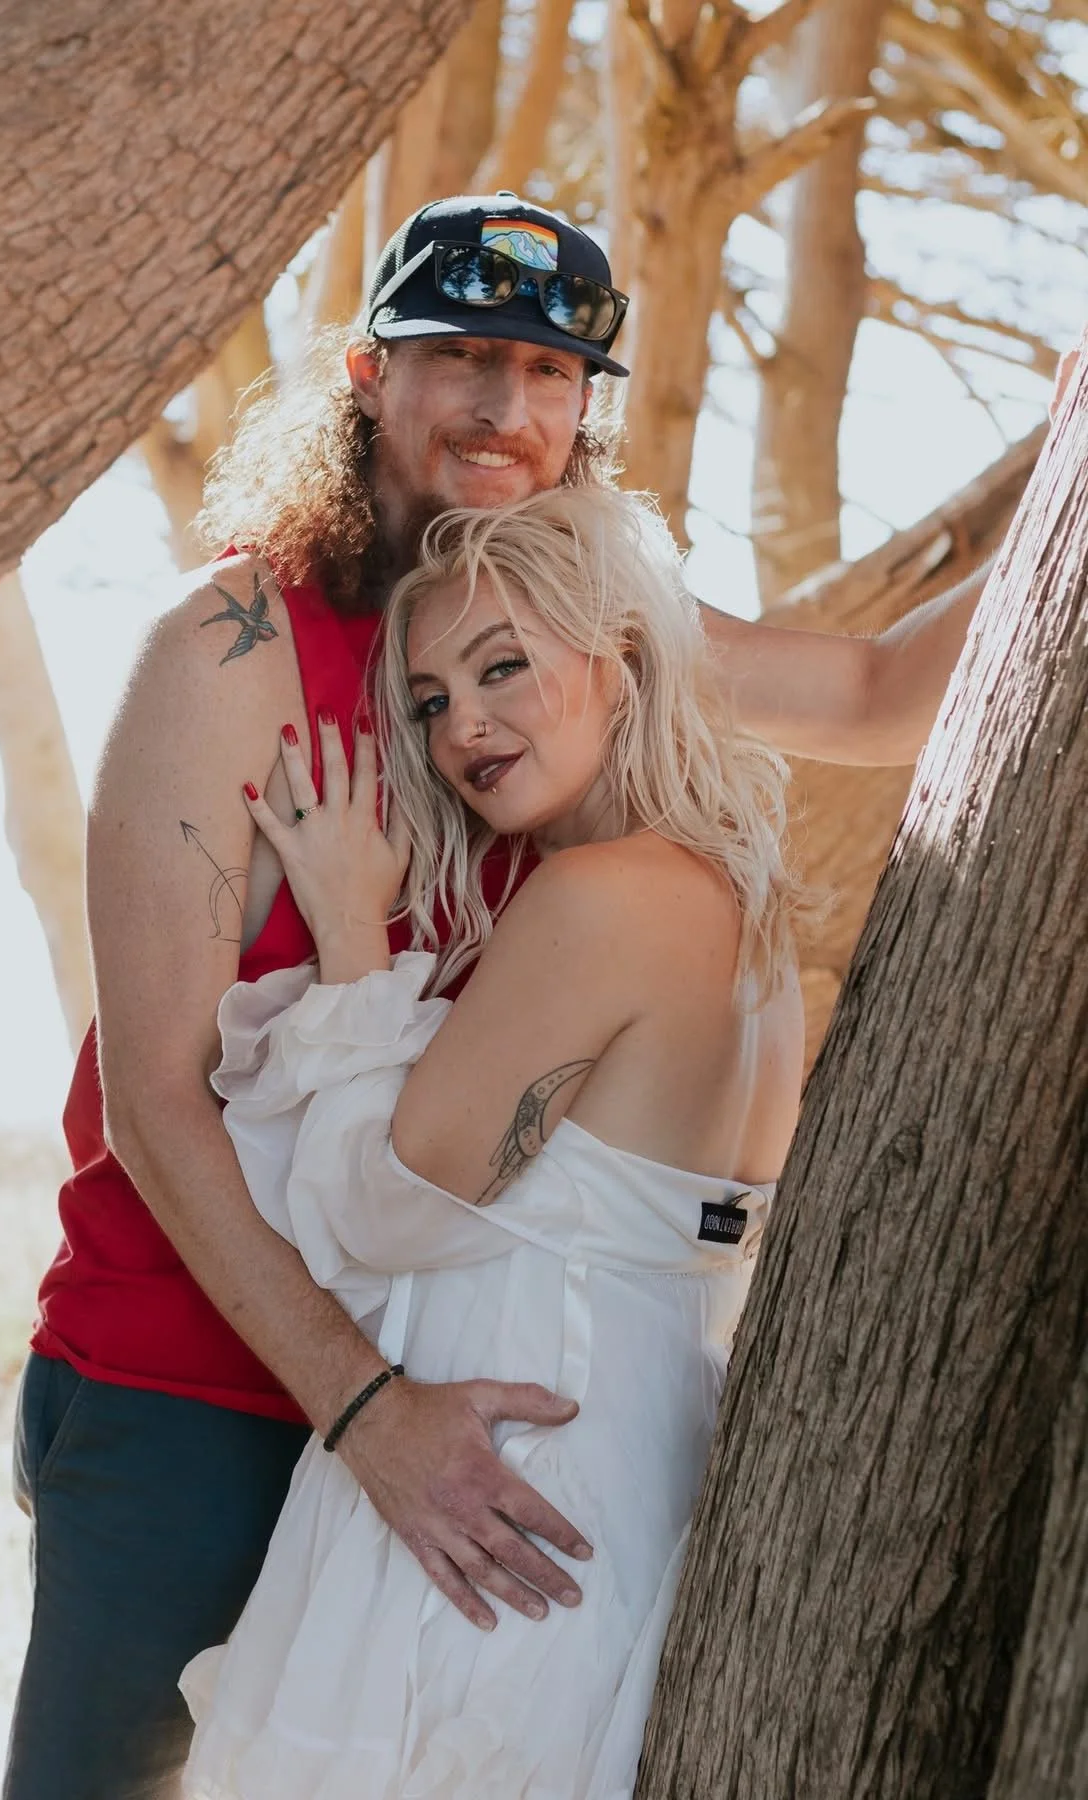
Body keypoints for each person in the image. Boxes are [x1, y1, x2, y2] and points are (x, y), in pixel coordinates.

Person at [3, 191, 992, 1800]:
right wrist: (368, 1412)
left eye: (548, 371)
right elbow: (155, 1103)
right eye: (462, 355)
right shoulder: (233, 646)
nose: (504, 407)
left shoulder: (579, 632)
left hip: (459, 1404)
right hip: (192, 1389)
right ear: (367, 374)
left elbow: (879, 695)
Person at [181, 482, 808, 1798]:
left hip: (501, 1501)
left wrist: (350, 936)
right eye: (428, 699)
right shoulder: (741, 908)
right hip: (624, 1476)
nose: (462, 723)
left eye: (502, 665)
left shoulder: (600, 897)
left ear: (620, 656)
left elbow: (379, 1214)